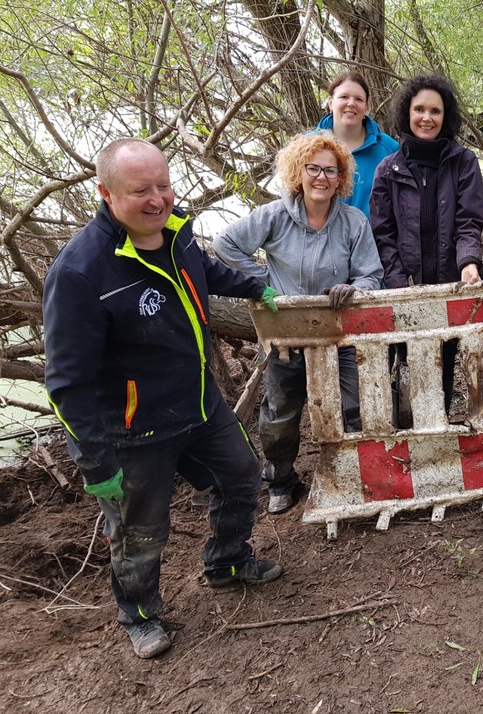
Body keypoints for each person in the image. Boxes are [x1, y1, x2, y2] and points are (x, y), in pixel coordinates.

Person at [43, 139, 283, 660]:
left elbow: (205, 273)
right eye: (140, 191)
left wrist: (251, 285)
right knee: (139, 529)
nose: (158, 199)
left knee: (242, 476)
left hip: (197, 404)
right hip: (132, 429)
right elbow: (66, 382)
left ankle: (227, 561)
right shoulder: (80, 274)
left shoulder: (176, 235)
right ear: (107, 194)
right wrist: (93, 461)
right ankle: (139, 613)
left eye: (164, 185)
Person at [214, 131, 383, 513]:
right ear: (298, 172)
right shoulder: (275, 216)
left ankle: (353, 472)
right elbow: (226, 244)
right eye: (313, 169)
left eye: (331, 170)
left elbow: (372, 274)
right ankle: (281, 480)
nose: (321, 178)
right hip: (285, 333)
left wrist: (352, 288)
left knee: (353, 404)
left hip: (337, 331)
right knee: (281, 411)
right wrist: (260, 283)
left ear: (341, 178)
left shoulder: (353, 222)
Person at [370, 74, 483, 415]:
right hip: (405, 288)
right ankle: (407, 436)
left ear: (445, 116)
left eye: (435, 111)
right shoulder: (388, 169)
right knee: (406, 363)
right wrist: (396, 281)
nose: (426, 118)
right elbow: (383, 234)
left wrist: (468, 262)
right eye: (419, 109)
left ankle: (439, 430)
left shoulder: (463, 162)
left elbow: (469, 221)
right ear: (407, 112)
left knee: (445, 361)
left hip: (450, 284)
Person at [315, 70, 398, 218]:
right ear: (330, 103)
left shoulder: (389, 148)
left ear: (367, 107)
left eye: (359, 99)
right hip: (318, 239)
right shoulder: (307, 146)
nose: (351, 103)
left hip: (373, 239)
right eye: (344, 97)